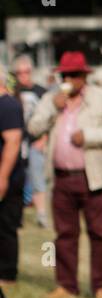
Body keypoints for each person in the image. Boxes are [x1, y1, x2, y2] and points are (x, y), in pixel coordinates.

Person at [26, 52, 102, 298]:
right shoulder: (51, 99)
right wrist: (52, 108)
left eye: (73, 74)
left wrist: (89, 136)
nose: (68, 78)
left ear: (84, 76)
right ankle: (66, 284)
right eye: (65, 74)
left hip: (95, 176)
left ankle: (100, 285)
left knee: (99, 233)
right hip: (61, 177)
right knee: (64, 234)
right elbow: (33, 127)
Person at [13, 56, 49, 229]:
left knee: (37, 178)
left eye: (26, 72)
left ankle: (41, 215)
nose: (23, 75)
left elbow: (51, 117)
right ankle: (16, 216)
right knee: (17, 180)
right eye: (19, 72)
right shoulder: (12, 92)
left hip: (35, 143)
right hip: (16, 143)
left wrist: (44, 139)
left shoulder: (41, 91)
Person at [0, 68, 24, 286]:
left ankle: (7, 274)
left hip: (9, 176)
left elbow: (13, 142)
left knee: (6, 225)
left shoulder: (8, 105)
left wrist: (3, 177)